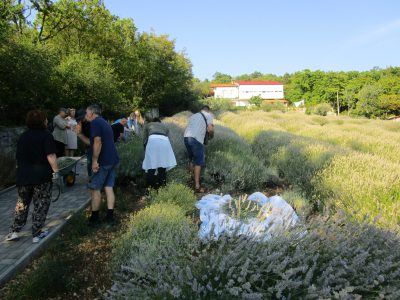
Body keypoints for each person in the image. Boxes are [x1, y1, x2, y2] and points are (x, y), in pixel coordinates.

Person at [5, 110, 58, 243]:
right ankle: (36, 233)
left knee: (22, 204)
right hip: (41, 177)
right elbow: (51, 156)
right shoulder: (46, 136)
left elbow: (18, 158)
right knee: (41, 204)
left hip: (24, 176)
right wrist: (56, 172)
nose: (47, 121)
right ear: (42, 121)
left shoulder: (23, 136)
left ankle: (14, 231)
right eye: (45, 119)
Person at [85, 104, 119, 225]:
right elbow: (92, 142)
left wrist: (94, 161)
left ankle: (95, 218)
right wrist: (79, 134)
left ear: (92, 113)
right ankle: (110, 217)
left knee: (95, 189)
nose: (85, 115)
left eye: (86, 112)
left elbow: (97, 142)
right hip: (113, 159)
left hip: (103, 161)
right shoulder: (104, 122)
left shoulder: (95, 123)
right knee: (109, 187)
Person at [184, 105, 214, 193]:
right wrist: (211, 135)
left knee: (191, 159)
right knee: (198, 162)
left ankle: (189, 181)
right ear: (208, 110)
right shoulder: (209, 115)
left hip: (186, 137)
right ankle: (197, 186)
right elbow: (210, 129)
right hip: (196, 139)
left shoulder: (193, 116)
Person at [142, 117, 177, 189]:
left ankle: (149, 191)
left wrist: (146, 150)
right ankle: (162, 190)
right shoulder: (165, 127)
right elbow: (170, 140)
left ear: (153, 121)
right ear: (160, 122)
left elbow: (144, 140)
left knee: (151, 168)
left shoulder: (148, 125)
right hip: (165, 143)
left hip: (152, 141)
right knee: (162, 168)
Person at [75, 109, 92, 176]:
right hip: (88, 144)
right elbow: (82, 134)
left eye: (82, 117)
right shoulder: (81, 123)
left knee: (94, 161)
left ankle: (94, 176)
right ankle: (90, 176)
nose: (82, 119)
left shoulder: (92, 122)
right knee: (89, 162)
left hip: (95, 142)